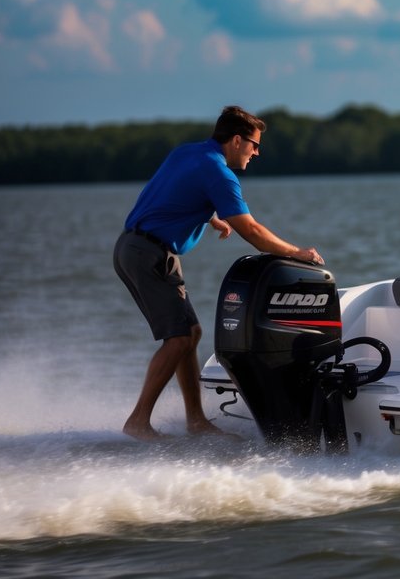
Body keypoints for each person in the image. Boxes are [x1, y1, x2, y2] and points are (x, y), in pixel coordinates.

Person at [114, 106, 323, 441]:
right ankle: (138, 421)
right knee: (179, 337)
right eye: (254, 145)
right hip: (150, 254)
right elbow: (252, 231)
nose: (256, 152)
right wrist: (297, 252)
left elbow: (173, 191)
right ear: (237, 141)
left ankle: (195, 420)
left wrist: (210, 216)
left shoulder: (189, 153)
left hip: (134, 247)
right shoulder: (220, 173)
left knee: (190, 333)